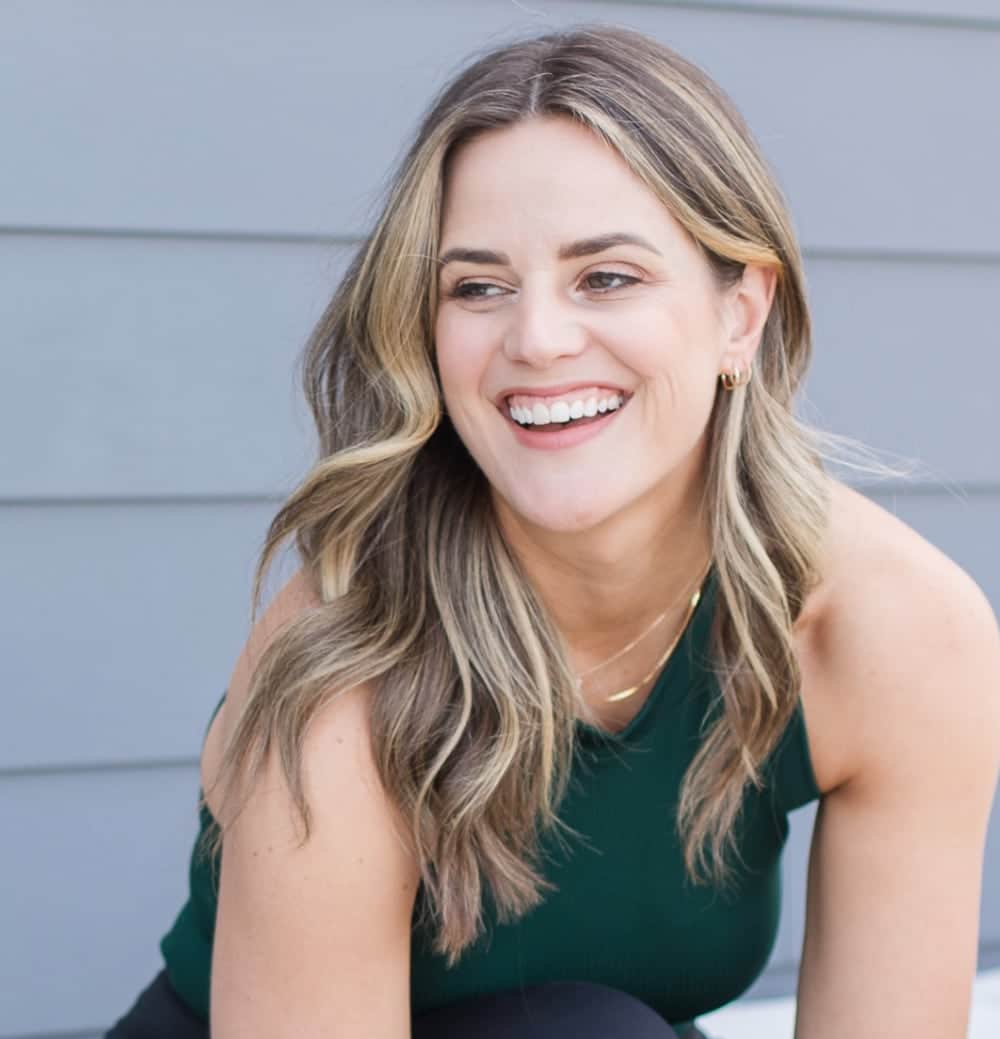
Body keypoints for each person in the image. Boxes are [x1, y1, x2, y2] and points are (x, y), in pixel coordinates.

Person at [104, 24, 1000, 1039]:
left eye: (606, 276)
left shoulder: (894, 630)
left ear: (740, 314)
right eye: (476, 287)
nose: (534, 341)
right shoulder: (354, 657)